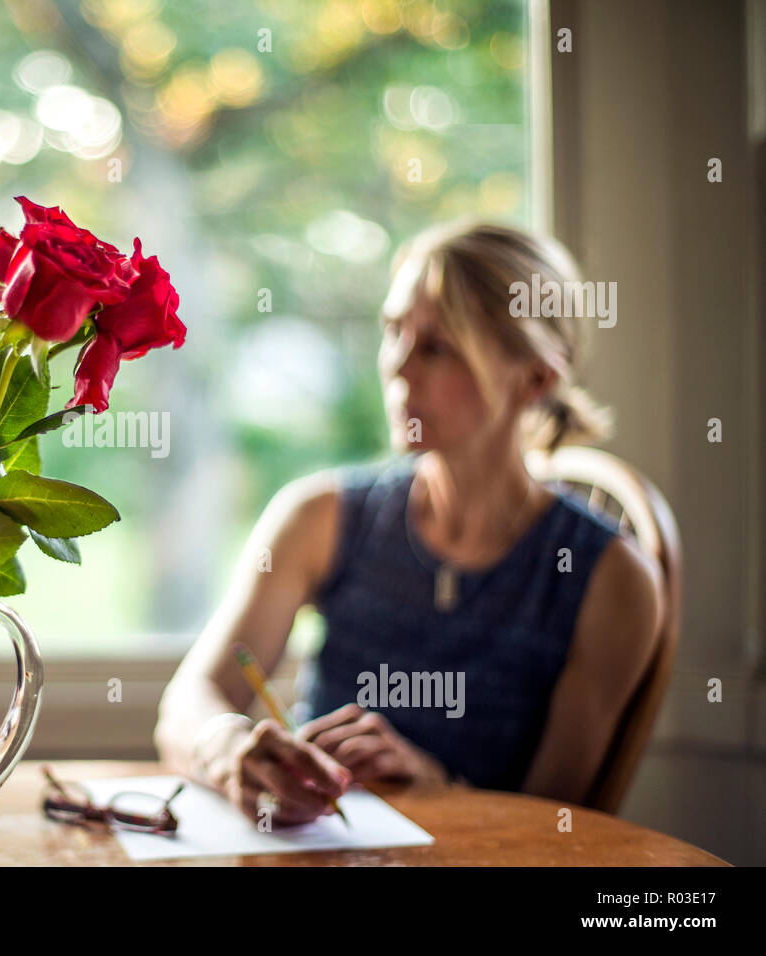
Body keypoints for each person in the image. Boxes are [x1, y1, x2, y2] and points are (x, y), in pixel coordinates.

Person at [154, 221, 664, 826]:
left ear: (535, 378)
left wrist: (440, 790)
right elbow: (187, 704)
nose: (396, 367)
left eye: (436, 347)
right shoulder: (321, 518)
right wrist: (229, 747)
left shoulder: (611, 581)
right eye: (393, 331)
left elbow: (560, 828)